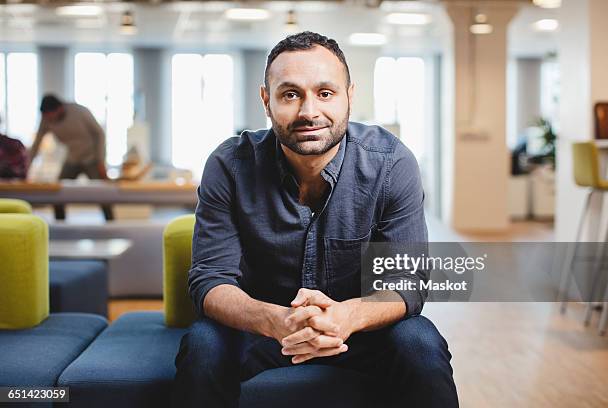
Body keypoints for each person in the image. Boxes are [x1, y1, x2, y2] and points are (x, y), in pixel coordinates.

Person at [173, 31, 458, 408]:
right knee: (203, 343)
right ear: (266, 100)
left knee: (420, 341)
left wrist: (347, 316)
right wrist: (275, 320)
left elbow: (407, 281)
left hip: (361, 330)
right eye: (290, 94)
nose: (309, 112)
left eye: (326, 93)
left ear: (349, 97)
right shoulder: (229, 165)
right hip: (262, 329)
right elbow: (210, 281)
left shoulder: (391, 164)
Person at [29, 94, 113, 220]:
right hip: (72, 158)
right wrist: (27, 165)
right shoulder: (46, 119)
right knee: (57, 191)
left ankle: (110, 221)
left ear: (59, 109)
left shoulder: (80, 112)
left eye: (50, 115)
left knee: (101, 192)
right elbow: (37, 143)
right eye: (46, 116)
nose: (49, 119)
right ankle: (60, 221)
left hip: (92, 158)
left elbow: (99, 134)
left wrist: (100, 160)